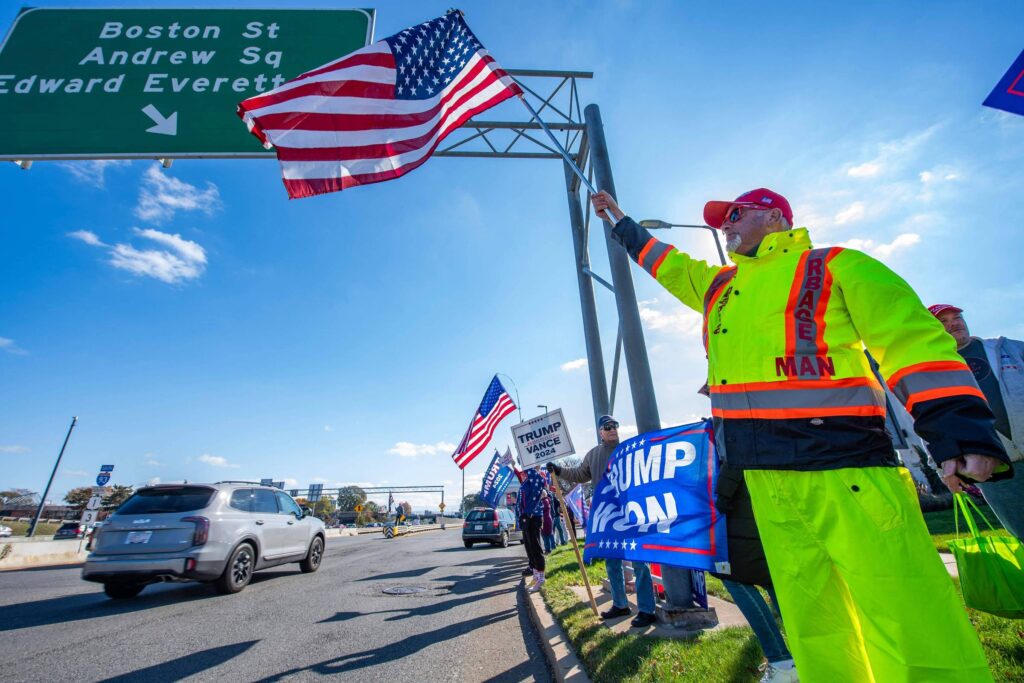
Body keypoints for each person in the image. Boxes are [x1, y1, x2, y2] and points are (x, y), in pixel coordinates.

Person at [590, 187, 1011, 681]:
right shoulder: (720, 287)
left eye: (735, 215)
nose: (726, 227)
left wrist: (958, 432)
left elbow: (911, 340)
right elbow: (670, 264)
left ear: (775, 217)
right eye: (723, 220)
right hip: (767, 483)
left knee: (906, 612)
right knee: (816, 626)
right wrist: (620, 220)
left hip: (846, 470)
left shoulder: (836, 265)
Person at [547, 415, 658, 628]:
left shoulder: (629, 449)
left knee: (639, 560)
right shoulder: (594, 454)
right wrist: (559, 470)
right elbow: (579, 474)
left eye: (615, 425)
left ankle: (647, 609)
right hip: (606, 515)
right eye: (608, 427)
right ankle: (620, 604)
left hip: (630, 512)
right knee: (612, 561)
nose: (612, 429)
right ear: (600, 432)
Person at [930, 303, 1024, 539]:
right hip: (995, 465)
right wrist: (943, 465)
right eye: (944, 321)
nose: (954, 323)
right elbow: (931, 421)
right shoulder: (935, 370)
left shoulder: (1006, 348)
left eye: (957, 317)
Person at [711, 464, 797, 683]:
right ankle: (806, 654)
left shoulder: (732, 431)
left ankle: (782, 661)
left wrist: (720, 495)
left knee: (737, 580)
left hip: (742, 509)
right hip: (761, 501)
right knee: (775, 581)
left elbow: (735, 453)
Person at [517, 466, 547, 592]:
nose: (523, 473)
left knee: (535, 547)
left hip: (534, 517)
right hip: (525, 518)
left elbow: (540, 484)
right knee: (529, 549)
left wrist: (529, 464)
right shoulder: (525, 482)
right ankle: (535, 576)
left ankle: (541, 578)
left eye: (525, 471)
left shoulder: (536, 479)